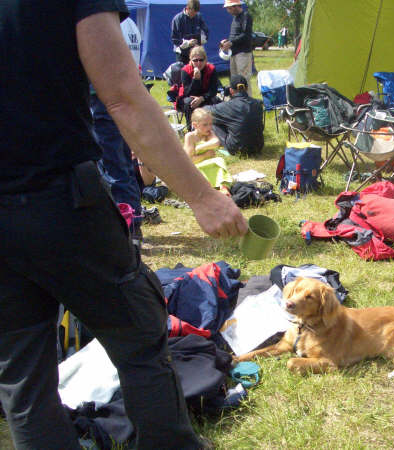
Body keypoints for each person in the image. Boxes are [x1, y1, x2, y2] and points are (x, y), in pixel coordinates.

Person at [0, 2, 247, 450]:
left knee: (24, 378)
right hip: (59, 198)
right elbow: (121, 96)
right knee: (138, 335)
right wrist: (202, 197)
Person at [91, 16, 144, 246]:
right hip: (122, 96)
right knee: (123, 164)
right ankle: (133, 222)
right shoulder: (130, 25)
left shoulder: (101, 20)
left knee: (114, 166)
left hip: (104, 98)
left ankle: (128, 228)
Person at [205, 75, 264, 155]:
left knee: (212, 121)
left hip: (237, 149)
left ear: (231, 90)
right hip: (258, 146)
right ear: (246, 88)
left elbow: (206, 110)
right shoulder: (258, 103)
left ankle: (210, 142)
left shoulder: (228, 106)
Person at [178, 45, 220, 131]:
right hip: (190, 96)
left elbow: (213, 90)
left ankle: (215, 128)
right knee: (189, 102)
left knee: (216, 101)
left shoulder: (211, 69)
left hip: (206, 96)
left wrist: (202, 98)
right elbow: (187, 92)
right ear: (191, 60)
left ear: (205, 60)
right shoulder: (185, 71)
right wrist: (195, 79)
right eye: (195, 60)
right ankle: (191, 129)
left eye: (201, 60)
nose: (198, 63)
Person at [220, 0, 254, 97]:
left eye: (229, 8)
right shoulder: (235, 18)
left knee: (243, 79)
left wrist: (231, 42)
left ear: (235, 6)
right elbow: (235, 35)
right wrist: (227, 42)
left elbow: (246, 35)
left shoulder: (246, 16)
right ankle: (236, 100)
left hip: (243, 53)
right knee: (235, 80)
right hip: (234, 53)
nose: (228, 11)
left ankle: (247, 101)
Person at [171, 0, 209, 64]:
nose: (194, 15)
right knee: (182, 70)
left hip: (196, 53)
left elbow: (205, 32)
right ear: (187, 8)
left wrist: (200, 41)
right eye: (193, 13)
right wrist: (188, 43)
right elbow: (175, 39)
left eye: (196, 13)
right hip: (182, 54)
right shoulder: (178, 19)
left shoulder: (198, 17)